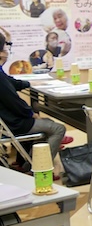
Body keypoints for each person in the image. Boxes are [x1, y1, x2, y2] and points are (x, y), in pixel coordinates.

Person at [0, 34, 65, 179]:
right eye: (5, 47)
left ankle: (27, 165)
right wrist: (31, 114)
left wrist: (29, 83)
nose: (7, 50)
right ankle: (40, 170)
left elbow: (11, 83)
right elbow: (15, 103)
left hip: (6, 122)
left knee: (47, 124)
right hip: (14, 124)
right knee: (58, 129)